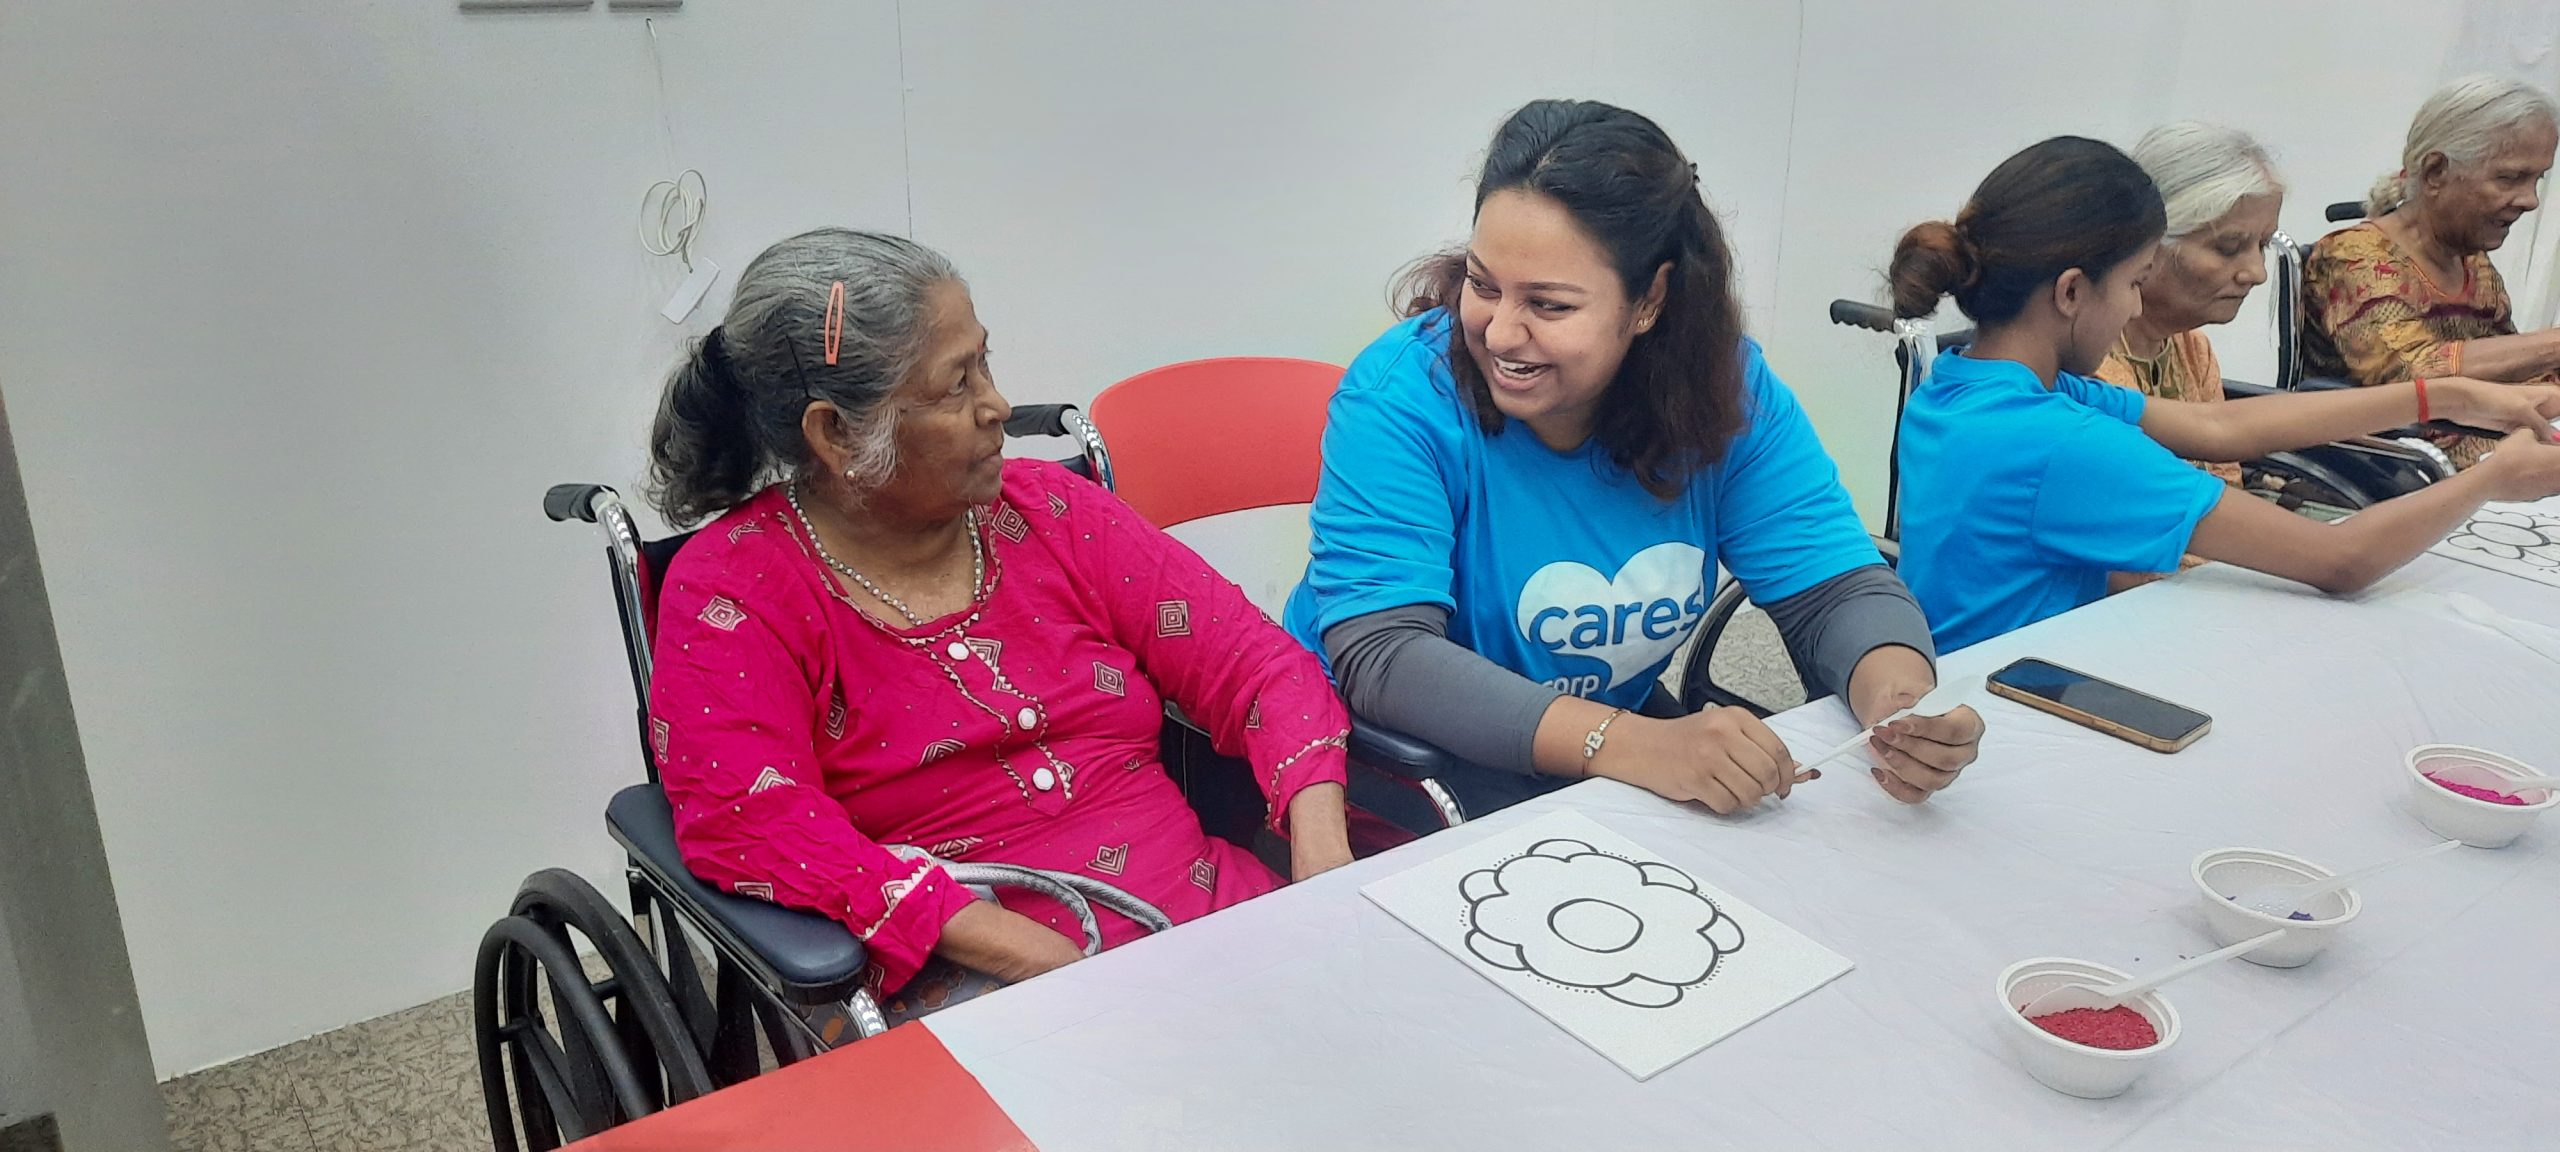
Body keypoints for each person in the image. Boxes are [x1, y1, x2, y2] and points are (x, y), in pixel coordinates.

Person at [644, 228, 1354, 1012]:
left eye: (986, 361)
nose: (999, 406)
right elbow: (751, 815)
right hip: (977, 987)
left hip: (1204, 917)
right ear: (837, 434)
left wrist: (1322, 860)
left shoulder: (1052, 510)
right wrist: (1015, 947)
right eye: (957, 385)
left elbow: (1257, 665)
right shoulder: (735, 593)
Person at [1285, 99, 1984, 821]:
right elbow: (1387, 657)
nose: (1498, 331)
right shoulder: (1400, 398)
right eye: (1484, 284)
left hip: (1594, 759)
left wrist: (1899, 698)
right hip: (1400, 772)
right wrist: (1635, 744)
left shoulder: (1727, 391)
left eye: (1550, 306)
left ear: (1650, 299)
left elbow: (1836, 590)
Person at [1889, 137, 2560, 652]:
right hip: (2018, 704)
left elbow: (2218, 430)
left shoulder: (1969, 386)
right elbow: (2340, 559)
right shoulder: (2061, 439)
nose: (2131, 310)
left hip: (1973, 669)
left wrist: (2442, 396)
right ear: (2071, 291)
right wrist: (2491, 479)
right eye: (2133, 284)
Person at [2303, 74, 2560, 467]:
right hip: (2393, 465)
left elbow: (2517, 375)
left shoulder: (2471, 261)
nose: (2529, 200)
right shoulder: (2353, 255)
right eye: (2509, 178)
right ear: (2436, 171)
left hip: (2481, 453)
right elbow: (2408, 376)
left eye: (2537, 179)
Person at [2092, 123, 2280, 588]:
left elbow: (2222, 483)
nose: (2256, 273)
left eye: (2263, 245)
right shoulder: (2084, 364)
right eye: (2228, 247)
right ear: (2148, 245)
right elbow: (2115, 554)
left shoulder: (2189, 344)